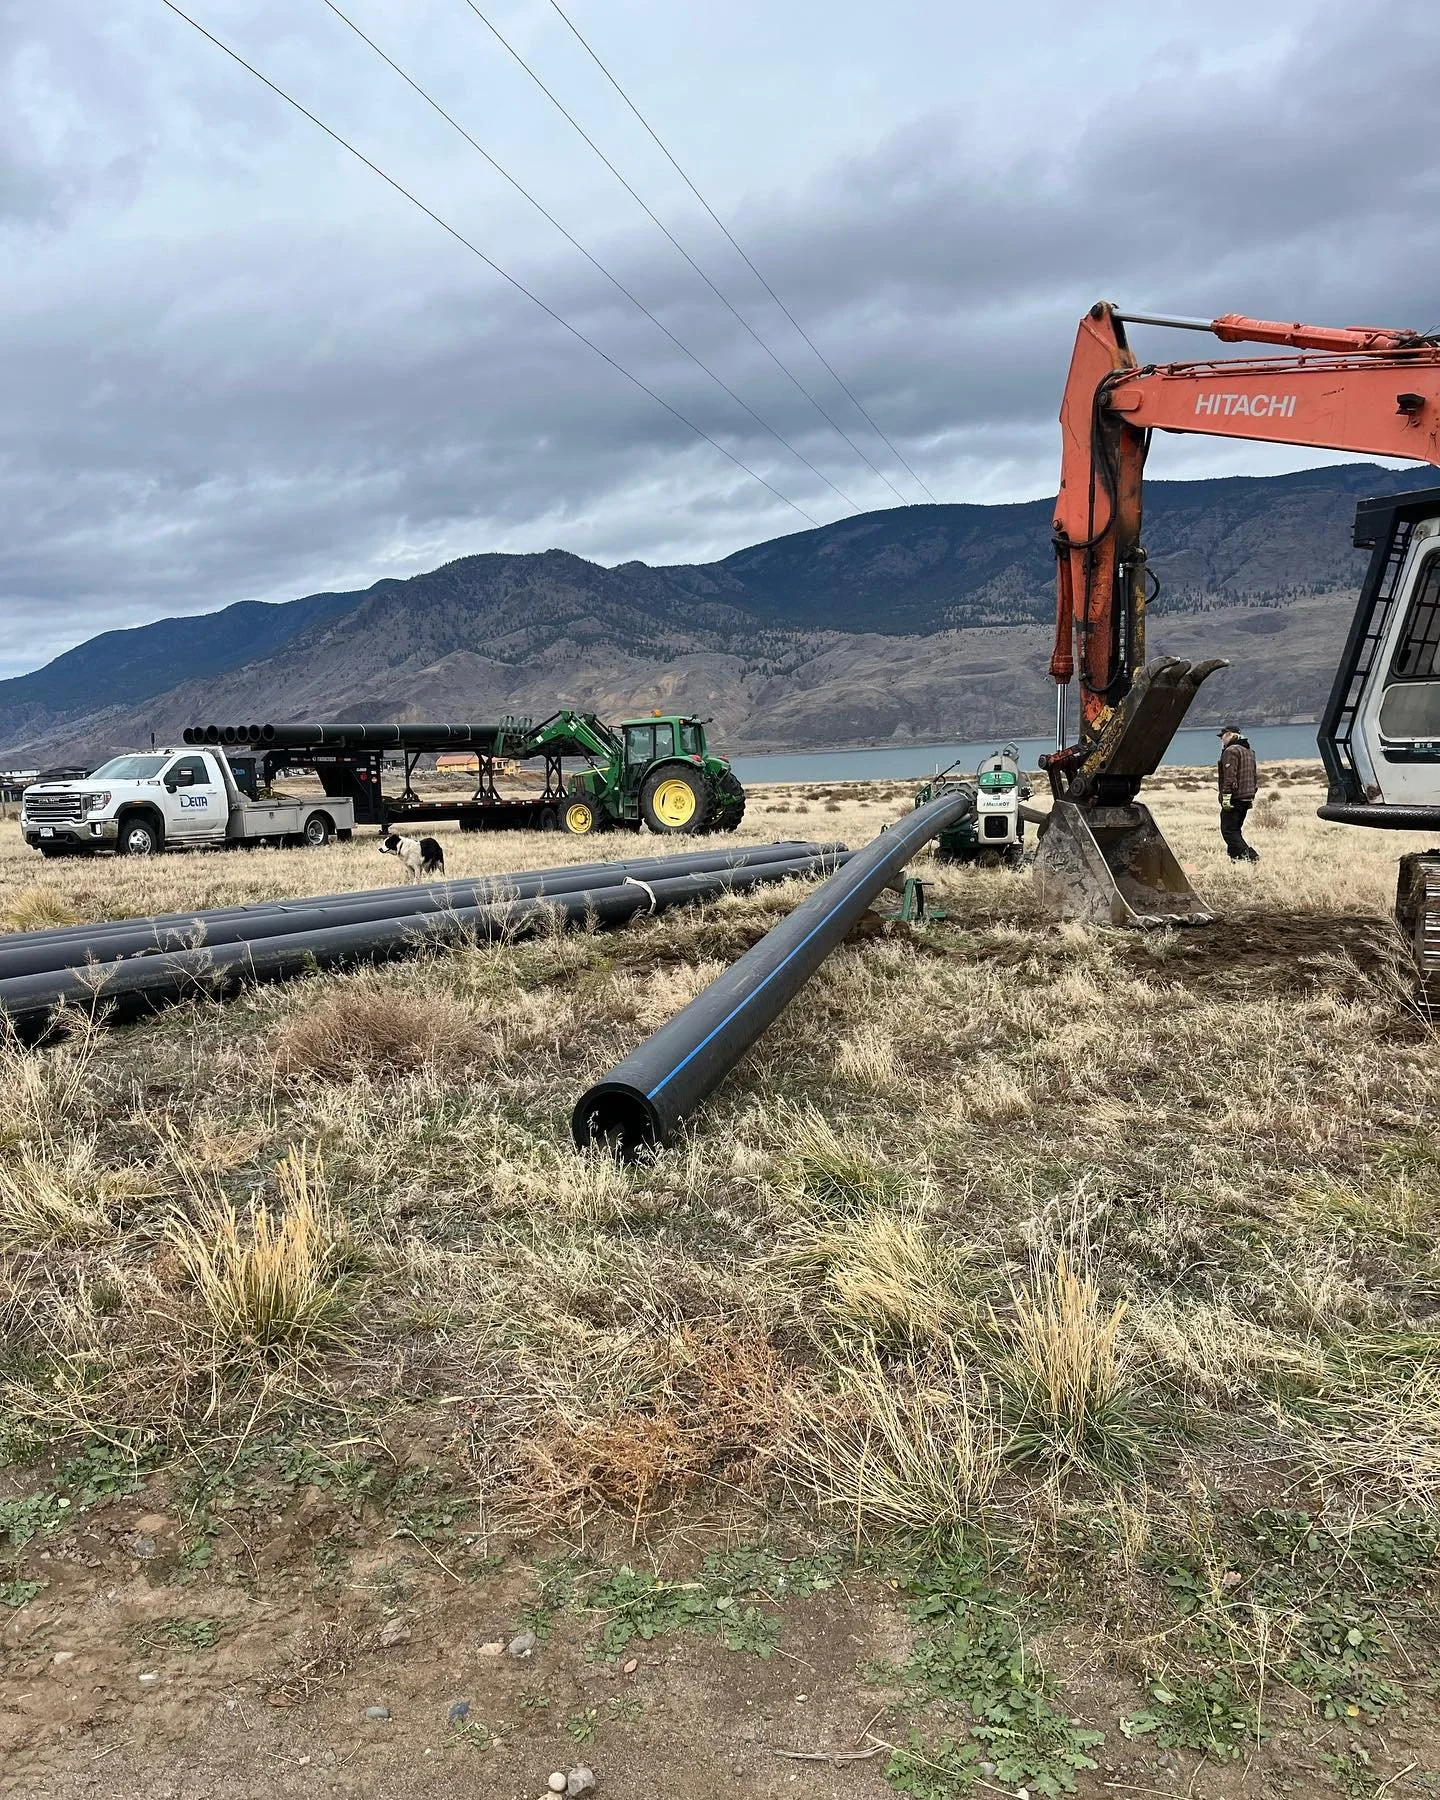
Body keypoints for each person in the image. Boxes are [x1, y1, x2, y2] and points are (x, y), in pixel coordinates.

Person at [1217, 725, 1260, 863]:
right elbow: (1254, 775)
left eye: (1222, 736)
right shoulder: (1249, 751)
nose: (1221, 740)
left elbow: (1230, 776)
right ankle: (1236, 860)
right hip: (1247, 797)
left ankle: (1251, 857)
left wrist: (1226, 797)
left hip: (1235, 797)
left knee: (1228, 831)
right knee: (1235, 830)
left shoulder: (1231, 751)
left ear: (1229, 734)